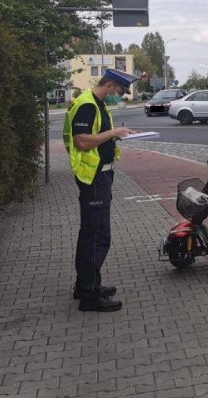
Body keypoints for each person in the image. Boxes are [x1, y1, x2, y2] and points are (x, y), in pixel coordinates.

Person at [62, 68, 137, 312]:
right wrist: (113, 132)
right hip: (92, 177)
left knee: (90, 234)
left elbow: (99, 137)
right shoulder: (87, 105)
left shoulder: (98, 103)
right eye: (119, 91)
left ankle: (86, 285)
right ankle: (90, 296)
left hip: (100, 175)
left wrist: (117, 135)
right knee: (97, 235)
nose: (120, 96)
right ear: (109, 85)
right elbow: (81, 141)